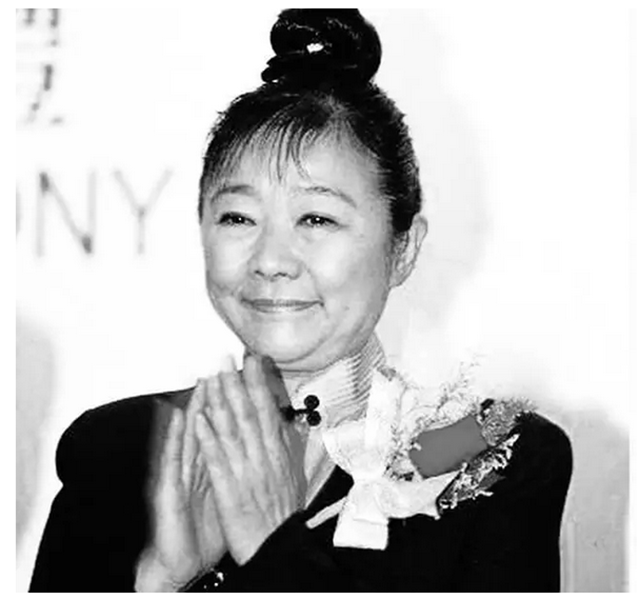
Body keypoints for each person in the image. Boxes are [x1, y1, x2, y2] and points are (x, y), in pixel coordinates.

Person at [29, 9, 572, 592]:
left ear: (404, 248)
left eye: (316, 218)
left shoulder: (487, 450)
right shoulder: (117, 449)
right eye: (238, 217)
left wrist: (273, 546)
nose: (271, 259)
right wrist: (160, 579)